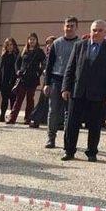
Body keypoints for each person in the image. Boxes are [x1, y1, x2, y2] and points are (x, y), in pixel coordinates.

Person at [61, 20, 106, 162]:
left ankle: (91, 152)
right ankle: (69, 151)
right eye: (94, 30)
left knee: (94, 125)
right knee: (72, 124)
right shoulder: (79, 45)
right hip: (77, 91)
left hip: (98, 93)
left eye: (100, 30)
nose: (96, 33)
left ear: (105, 33)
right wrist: (65, 88)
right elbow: (70, 68)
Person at [43, 17, 79, 147]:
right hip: (56, 80)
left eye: (72, 26)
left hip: (72, 82)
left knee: (69, 112)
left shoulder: (80, 44)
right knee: (53, 111)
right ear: (64, 27)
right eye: (67, 25)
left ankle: (67, 140)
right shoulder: (56, 43)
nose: (69, 28)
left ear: (76, 27)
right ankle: (51, 138)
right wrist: (47, 83)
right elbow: (49, 64)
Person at [6, 33, 46, 125]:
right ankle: (12, 118)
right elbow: (17, 63)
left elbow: (44, 63)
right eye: (30, 39)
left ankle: (28, 118)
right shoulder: (24, 51)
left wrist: (38, 73)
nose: (32, 41)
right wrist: (18, 71)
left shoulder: (39, 51)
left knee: (30, 100)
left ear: (36, 41)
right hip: (23, 78)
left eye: (34, 39)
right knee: (18, 99)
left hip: (32, 79)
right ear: (28, 40)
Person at [28, 35, 56, 128]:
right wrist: (41, 71)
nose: (48, 45)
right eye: (47, 43)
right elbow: (43, 65)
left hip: (54, 80)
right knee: (43, 100)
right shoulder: (47, 55)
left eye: (50, 43)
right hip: (47, 80)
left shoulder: (56, 55)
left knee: (51, 102)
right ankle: (36, 119)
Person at [0, 37, 18, 122]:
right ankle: (2, 116)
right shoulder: (4, 56)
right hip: (4, 81)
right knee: (4, 100)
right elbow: (0, 70)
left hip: (12, 81)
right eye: (8, 45)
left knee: (13, 100)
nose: (9, 47)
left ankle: (12, 117)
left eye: (11, 45)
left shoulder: (16, 55)